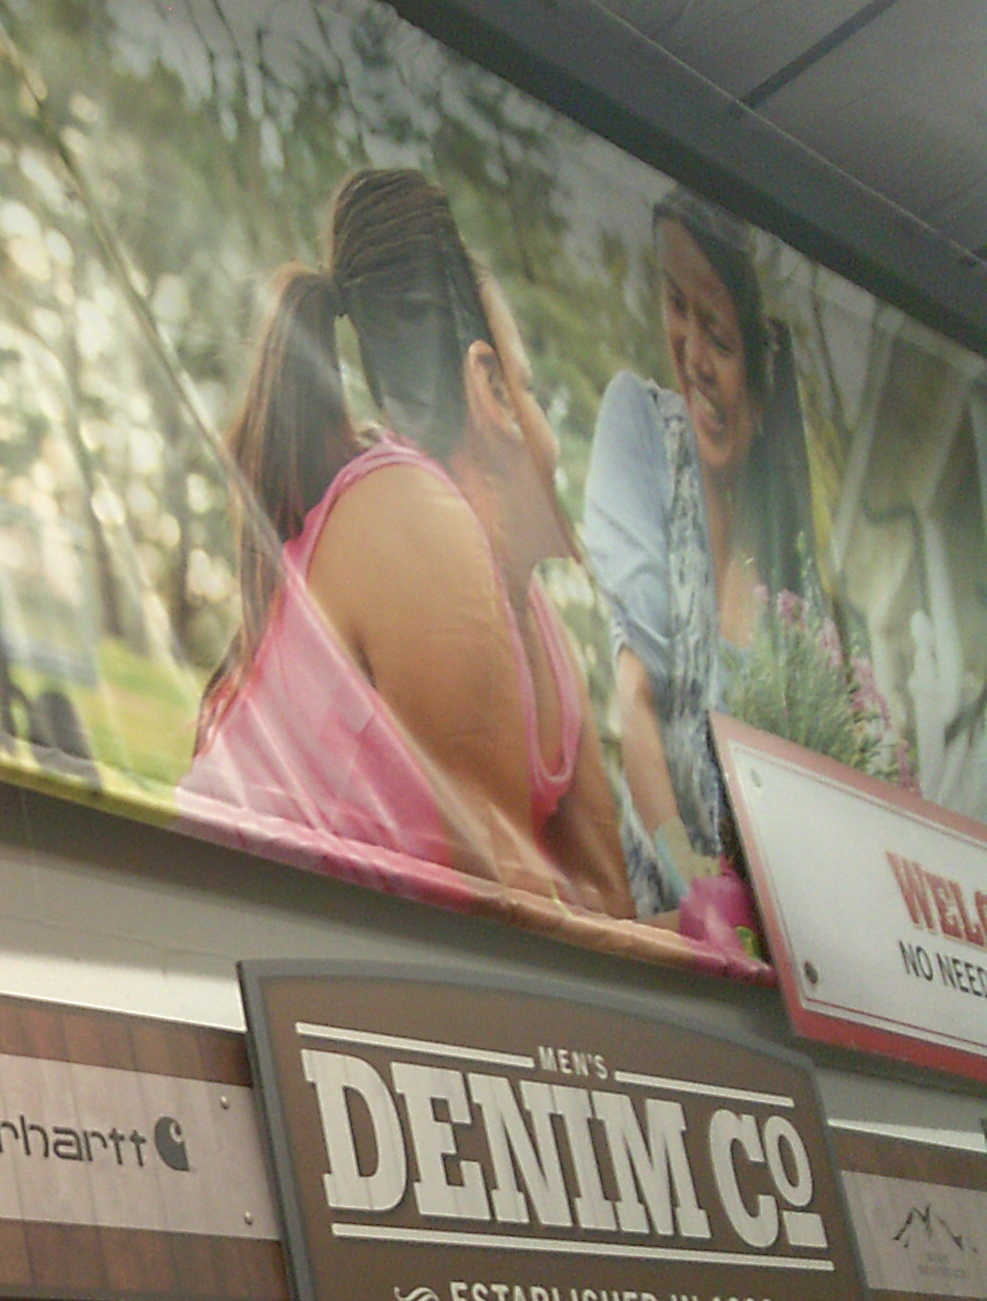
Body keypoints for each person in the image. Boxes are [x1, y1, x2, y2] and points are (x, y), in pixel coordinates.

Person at [185, 167, 633, 916]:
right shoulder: (416, 521)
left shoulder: (543, 633)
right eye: (532, 390)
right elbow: (510, 917)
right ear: (490, 390)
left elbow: (608, 912)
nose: (559, 445)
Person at [583, 186, 828, 865]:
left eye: (718, 339)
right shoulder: (638, 425)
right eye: (675, 305)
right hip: (660, 903)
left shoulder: (793, 568)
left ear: (761, 376)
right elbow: (635, 696)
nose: (691, 357)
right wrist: (687, 878)